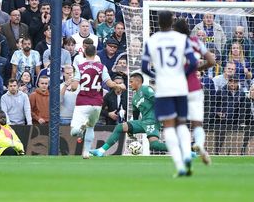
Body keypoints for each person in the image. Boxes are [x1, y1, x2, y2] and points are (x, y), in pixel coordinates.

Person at [142, 10, 197, 176]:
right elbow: (193, 62)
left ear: (158, 22)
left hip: (163, 87)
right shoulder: (182, 39)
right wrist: (183, 75)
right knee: (181, 123)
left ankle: (180, 165)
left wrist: (157, 76)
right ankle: (187, 154)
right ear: (172, 22)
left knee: (168, 127)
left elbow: (145, 68)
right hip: (180, 86)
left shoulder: (152, 41)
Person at [91, 72, 168, 157]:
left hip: (153, 121)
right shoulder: (134, 98)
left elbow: (156, 100)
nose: (130, 84)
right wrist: (130, 129)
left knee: (154, 146)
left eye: (131, 82)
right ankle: (101, 151)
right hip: (143, 122)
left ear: (138, 81)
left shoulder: (146, 89)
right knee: (120, 127)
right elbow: (135, 115)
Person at [70, 44, 125, 159]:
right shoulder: (101, 67)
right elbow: (110, 84)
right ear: (95, 54)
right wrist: (119, 85)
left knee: (74, 132)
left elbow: (74, 87)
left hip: (83, 102)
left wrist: (72, 82)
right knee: (91, 127)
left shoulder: (80, 67)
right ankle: (86, 152)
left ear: (84, 53)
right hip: (97, 103)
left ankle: (80, 130)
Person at [173, 18, 215, 165]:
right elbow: (211, 61)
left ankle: (185, 151)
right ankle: (200, 145)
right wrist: (197, 68)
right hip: (195, 87)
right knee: (197, 123)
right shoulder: (196, 42)